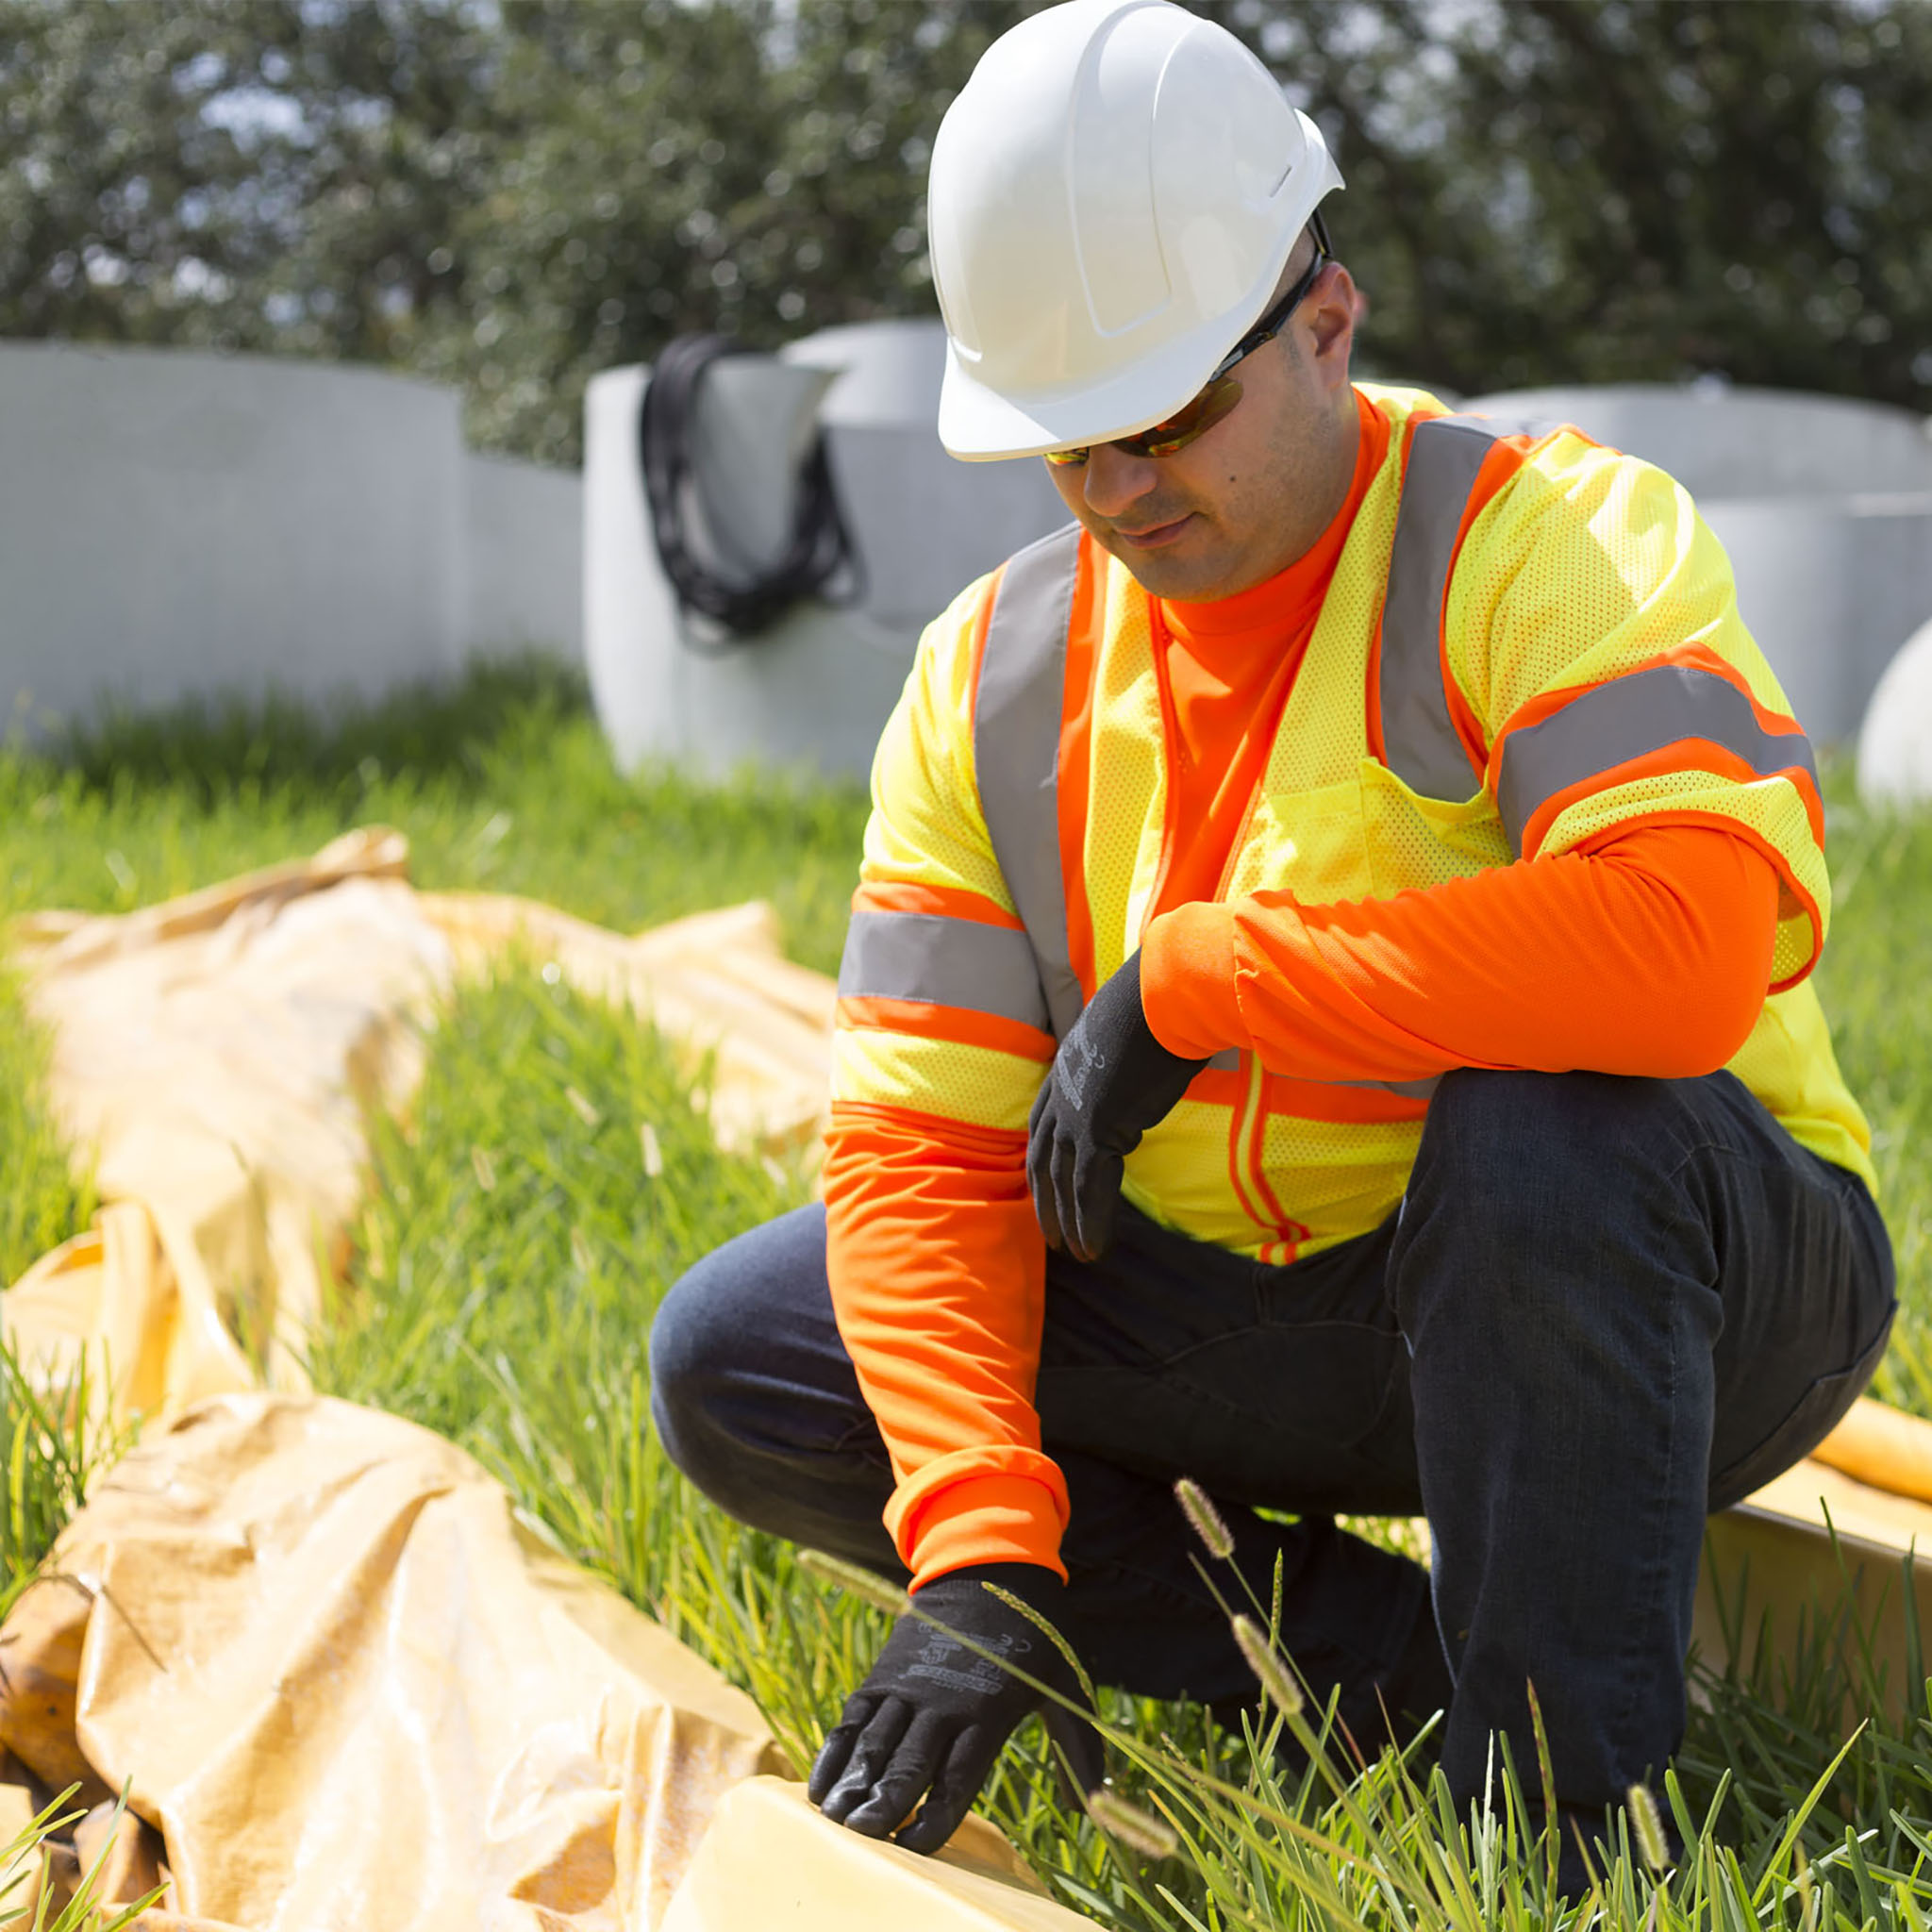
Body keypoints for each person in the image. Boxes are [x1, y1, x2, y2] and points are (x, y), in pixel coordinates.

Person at [649, 0, 1893, 1887]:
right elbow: (920, 1150)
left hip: (1667, 1290)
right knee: (746, 1353)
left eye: (1170, 422)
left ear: (1326, 317)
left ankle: (1554, 1831)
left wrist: (1208, 980)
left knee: (1544, 1123)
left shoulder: (1543, 539)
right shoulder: (989, 675)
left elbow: (1681, 944)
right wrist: (984, 1546)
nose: (1125, 489)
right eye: (1071, 447)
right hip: (1250, 1317)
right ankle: (1389, 1680)